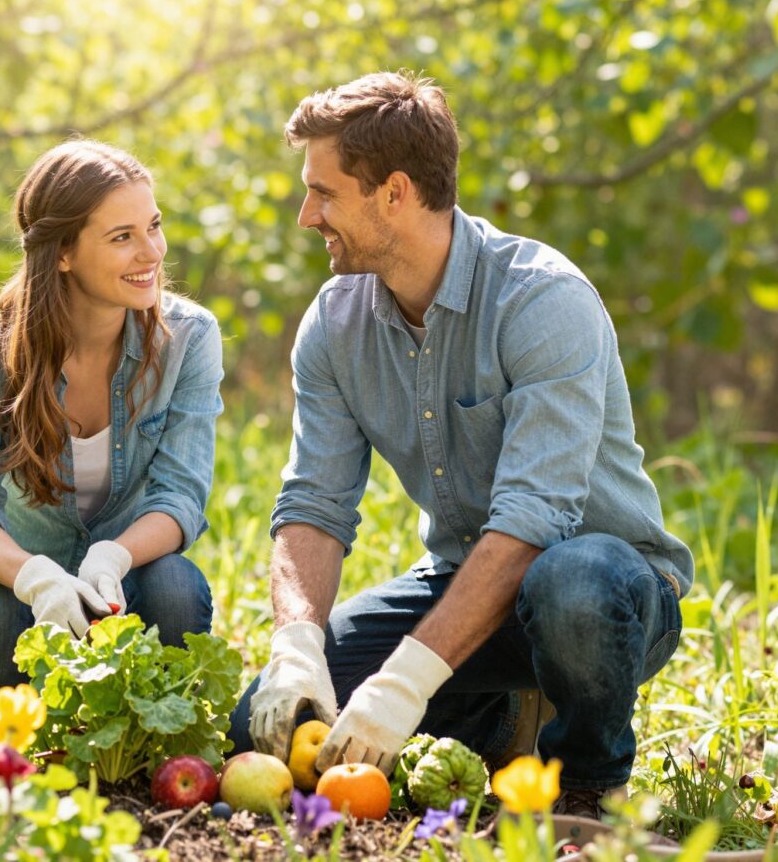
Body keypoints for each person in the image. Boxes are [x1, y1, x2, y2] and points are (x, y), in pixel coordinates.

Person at [228, 72, 693, 819]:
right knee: (267, 720)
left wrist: (406, 682)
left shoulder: (543, 300)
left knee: (572, 585)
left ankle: (586, 787)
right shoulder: (335, 323)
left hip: (608, 592)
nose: (305, 216)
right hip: (464, 587)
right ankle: (502, 716)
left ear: (395, 193)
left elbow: (534, 522)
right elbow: (314, 503)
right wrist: (296, 647)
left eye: (323, 193)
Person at [0, 140, 223, 689]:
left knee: (176, 587)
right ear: (62, 252)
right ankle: (2, 738)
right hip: (20, 591)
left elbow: (180, 496)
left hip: (121, 588)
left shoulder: (189, 337)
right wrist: (37, 578)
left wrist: (113, 557)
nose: (153, 252)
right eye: (122, 237)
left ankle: (150, 739)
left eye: (153, 226)